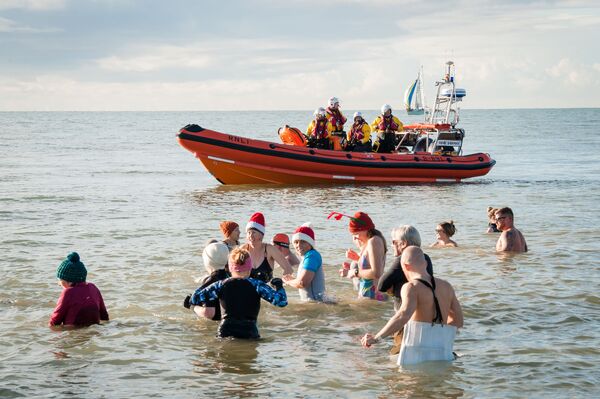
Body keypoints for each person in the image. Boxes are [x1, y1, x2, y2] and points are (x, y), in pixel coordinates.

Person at [361, 247, 464, 366]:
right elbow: (458, 321)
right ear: (425, 264)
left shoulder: (411, 287)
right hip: (442, 354)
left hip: (415, 354)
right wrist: (436, 333)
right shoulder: (447, 286)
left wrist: (376, 338)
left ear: (405, 266)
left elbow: (402, 316)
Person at [185, 248, 288, 339]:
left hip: (225, 331)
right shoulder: (257, 285)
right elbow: (281, 301)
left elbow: (195, 299)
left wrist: (206, 284)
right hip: (249, 331)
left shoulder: (220, 285)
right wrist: (278, 285)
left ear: (230, 268)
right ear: (250, 267)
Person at [49, 252, 109, 327]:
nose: (59, 284)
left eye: (60, 280)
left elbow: (56, 320)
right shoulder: (93, 287)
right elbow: (104, 315)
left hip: (74, 332)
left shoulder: (68, 292)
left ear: (70, 281)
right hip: (93, 334)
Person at [339, 212, 388, 301]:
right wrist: (357, 260)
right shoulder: (370, 242)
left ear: (366, 229)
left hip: (373, 299)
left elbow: (377, 273)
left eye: (356, 234)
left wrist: (354, 272)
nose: (355, 238)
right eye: (353, 235)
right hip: (367, 298)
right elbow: (369, 266)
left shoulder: (374, 241)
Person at [243, 212, 294, 282]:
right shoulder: (243, 250)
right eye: (249, 232)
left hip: (265, 291)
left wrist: (280, 284)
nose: (251, 236)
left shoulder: (270, 249)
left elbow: (289, 269)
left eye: (254, 232)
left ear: (261, 235)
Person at [282, 224, 327, 302]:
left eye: (303, 242)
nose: (298, 245)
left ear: (310, 243)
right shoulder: (307, 257)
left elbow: (302, 282)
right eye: (296, 242)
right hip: (315, 303)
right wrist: (293, 280)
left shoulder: (312, 256)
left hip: (318, 304)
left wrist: (288, 281)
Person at [189, 242, 231, 321]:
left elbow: (209, 313)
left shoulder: (211, 282)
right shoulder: (231, 275)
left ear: (207, 261)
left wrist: (193, 307)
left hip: (219, 325)